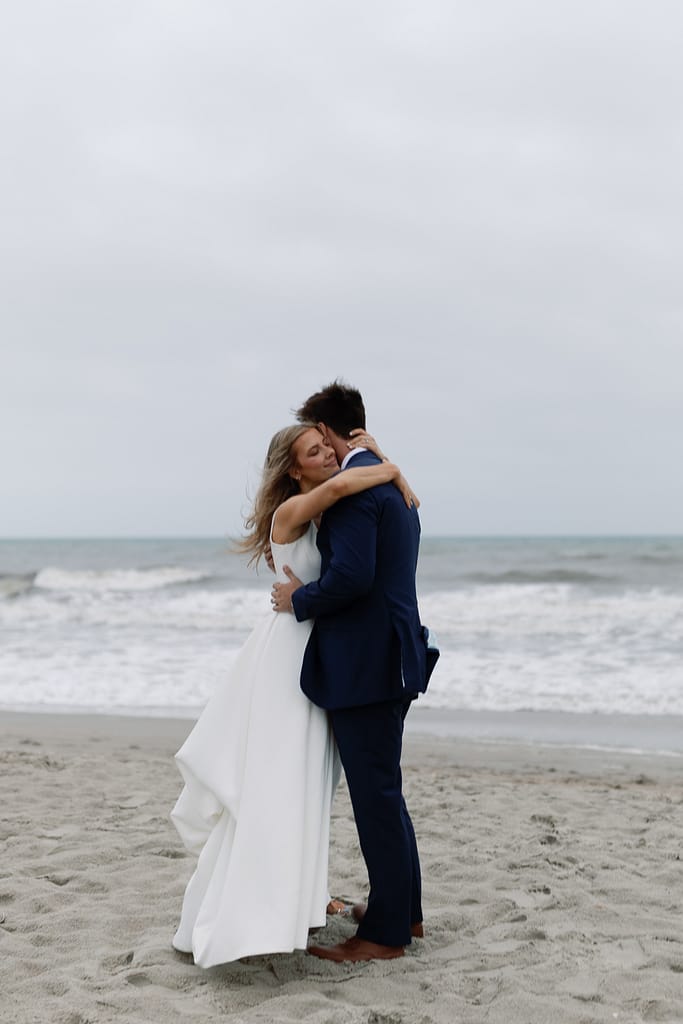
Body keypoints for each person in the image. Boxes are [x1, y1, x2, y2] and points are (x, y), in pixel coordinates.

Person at [170, 422, 417, 967]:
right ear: (292, 469)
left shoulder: (325, 511)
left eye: (328, 446)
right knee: (279, 780)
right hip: (289, 655)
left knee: (309, 784)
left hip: (319, 651)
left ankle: (302, 895)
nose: (328, 455)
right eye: (314, 451)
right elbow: (337, 490)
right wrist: (390, 466)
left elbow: (347, 504)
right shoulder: (294, 512)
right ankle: (260, 903)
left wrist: (371, 459)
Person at [272, 381, 439, 963]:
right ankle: (405, 914)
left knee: (375, 798)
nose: (318, 449)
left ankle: (386, 936)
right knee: (385, 794)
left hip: (367, 665)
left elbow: (351, 579)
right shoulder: (388, 479)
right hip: (395, 655)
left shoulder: (355, 494)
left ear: (332, 432)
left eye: (319, 438)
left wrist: (299, 600)